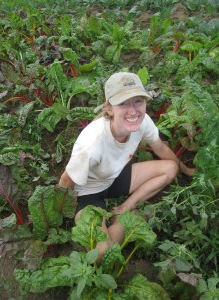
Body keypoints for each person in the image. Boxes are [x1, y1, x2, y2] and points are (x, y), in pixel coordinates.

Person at [58, 72, 195, 260]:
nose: (133, 111)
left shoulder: (143, 121)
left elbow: (161, 148)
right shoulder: (92, 143)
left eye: (138, 101)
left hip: (114, 178)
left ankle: (125, 208)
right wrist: (59, 216)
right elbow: (66, 181)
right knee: (101, 253)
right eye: (123, 103)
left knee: (171, 168)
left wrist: (185, 170)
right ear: (109, 109)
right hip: (86, 193)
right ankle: (126, 222)